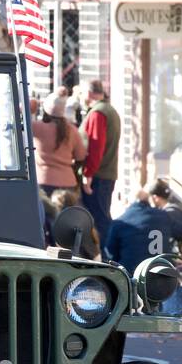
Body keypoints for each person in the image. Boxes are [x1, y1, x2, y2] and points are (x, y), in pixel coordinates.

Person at [102, 178, 182, 277]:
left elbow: (110, 256)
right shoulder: (163, 216)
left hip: (131, 278)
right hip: (163, 277)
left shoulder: (119, 222)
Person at [79, 79, 120, 247]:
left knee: (100, 220)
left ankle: (108, 258)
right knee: (101, 217)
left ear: (88, 93)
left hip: (99, 176)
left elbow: (96, 146)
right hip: (104, 174)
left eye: (82, 92)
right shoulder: (107, 110)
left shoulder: (98, 113)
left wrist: (88, 174)